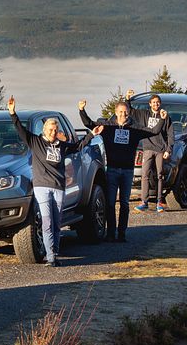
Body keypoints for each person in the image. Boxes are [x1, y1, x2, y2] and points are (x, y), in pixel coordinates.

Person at [9, 95, 102, 267]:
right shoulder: (35, 142)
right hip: (42, 187)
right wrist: (13, 113)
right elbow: (20, 130)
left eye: (55, 130)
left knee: (57, 222)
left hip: (58, 186)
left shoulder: (61, 145)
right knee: (47, 222)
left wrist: (91, 134)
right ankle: (50, 256)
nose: (52, 133)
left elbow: (78, 147)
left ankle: (54, 253)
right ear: (44, 131)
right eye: (50, 130)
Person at [79, 100, 167, 242]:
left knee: (125, 204)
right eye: (120, 112)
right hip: (112, 170)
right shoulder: (108, 126)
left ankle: (121, 234)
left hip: (127, 171)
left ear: (128, 112)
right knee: (110, 203)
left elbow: (154, 131)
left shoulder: (135, 128)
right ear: (115, 112)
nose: (123, 114)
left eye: (125, 112)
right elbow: (89, 124)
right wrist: (82, 110)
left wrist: (162, 119)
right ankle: (110, 233)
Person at [90, 92, 174, 212]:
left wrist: (168, 149)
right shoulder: (144, 114)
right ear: (150, 104)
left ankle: (159, 201)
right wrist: (128, 99)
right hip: (147, 148)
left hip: (160, 149)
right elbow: (131, 111)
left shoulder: (165, 116)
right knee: (145, 175)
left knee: (159, 175)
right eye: (153, 102)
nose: (156, 104)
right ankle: (144, 201)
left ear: (160, 104)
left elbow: (170, 134)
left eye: (158, 102)